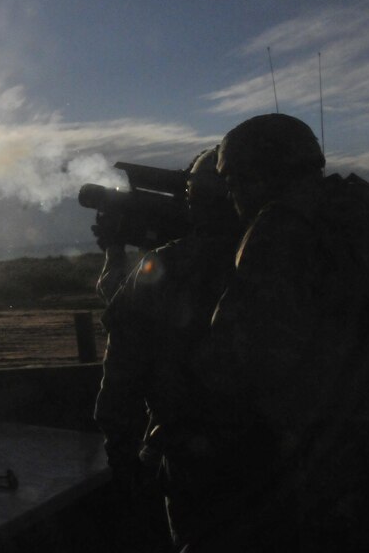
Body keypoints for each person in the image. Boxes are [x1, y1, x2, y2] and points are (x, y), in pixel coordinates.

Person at [188, 113, 369, 551]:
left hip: (356, 463)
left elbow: (232, 362)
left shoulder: (278, 227)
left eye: (236, 184)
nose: (233, 198)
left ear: (262, 176)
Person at [93, 147, 244, 549]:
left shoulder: (172, 266)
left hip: (202, 464)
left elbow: (121, 379)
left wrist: (125, 463)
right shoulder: (304, 257)